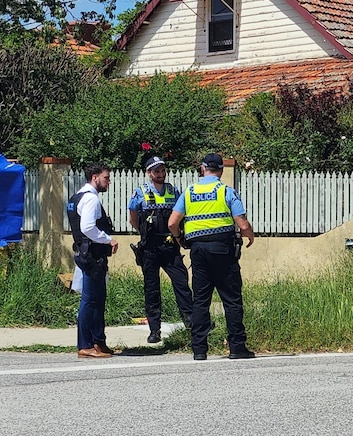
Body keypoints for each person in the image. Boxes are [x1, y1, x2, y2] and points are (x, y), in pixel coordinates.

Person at [168, 153, 256, 361]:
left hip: (198, 250)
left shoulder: (189, 192)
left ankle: (199, 349)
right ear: (222, 170)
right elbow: (242, 223)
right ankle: (237, 347)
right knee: (232, 299)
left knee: (200, 300)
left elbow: (172, 223)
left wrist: (180, 238)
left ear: (202, 169)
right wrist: (250, 236)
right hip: (223, 250)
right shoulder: (226, 191)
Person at [128, 156, 194, 343]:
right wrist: (144, 233)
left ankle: (191, 323)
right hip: (149, 247)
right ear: (149, 173)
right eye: (156, 171)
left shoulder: (173, 191)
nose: (161, 174)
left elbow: (180, 215)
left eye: (163, 170)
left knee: (181, 283)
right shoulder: (140, 192)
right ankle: (154, 330)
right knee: (152, 289)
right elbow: (133, 219)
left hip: (170, 245)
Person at [67, 162, 119, 359]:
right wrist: (108, 239)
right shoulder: (91, 199)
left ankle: (99, 341)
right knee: (90, 301)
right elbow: (88, 227)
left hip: (86, 253)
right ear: (95, 177)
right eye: (106, 178)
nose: (109, 182)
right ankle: (86, 344)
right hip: (93, 255)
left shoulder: (76, 197)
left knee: (97, 299)